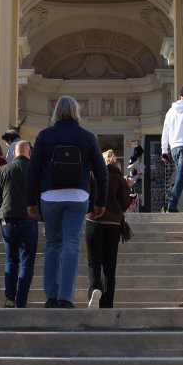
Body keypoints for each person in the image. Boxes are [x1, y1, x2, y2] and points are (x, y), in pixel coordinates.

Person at [26, 95, 108, 308]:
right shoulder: (87, 137)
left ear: (56, 113)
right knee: (72, 244)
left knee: (52, 244)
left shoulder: (44, 136)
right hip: (78, 195)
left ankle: (51, 296)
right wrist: (100, 201)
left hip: (49, 195)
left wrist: (30, 201)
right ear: (76, 112)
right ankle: (65, 297)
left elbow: (32, 171)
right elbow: (101, 172)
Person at [0, 139, 37, 307]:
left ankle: (10, 296)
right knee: (27, 262)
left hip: (7, 219)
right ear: (29, 153)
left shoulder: (3, 170)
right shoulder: (35, 170)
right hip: (28, 219)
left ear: (14, 153)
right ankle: (21, 301)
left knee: (11, 260)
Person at [85, 149, 132, 311]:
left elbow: (87, 195)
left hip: (93, 221)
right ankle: (107, 303)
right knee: (109, 267)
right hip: (113, 224)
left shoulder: (94, 175)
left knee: (93, 262)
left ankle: (94, 290)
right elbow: (126, 204)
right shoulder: (120, 179)